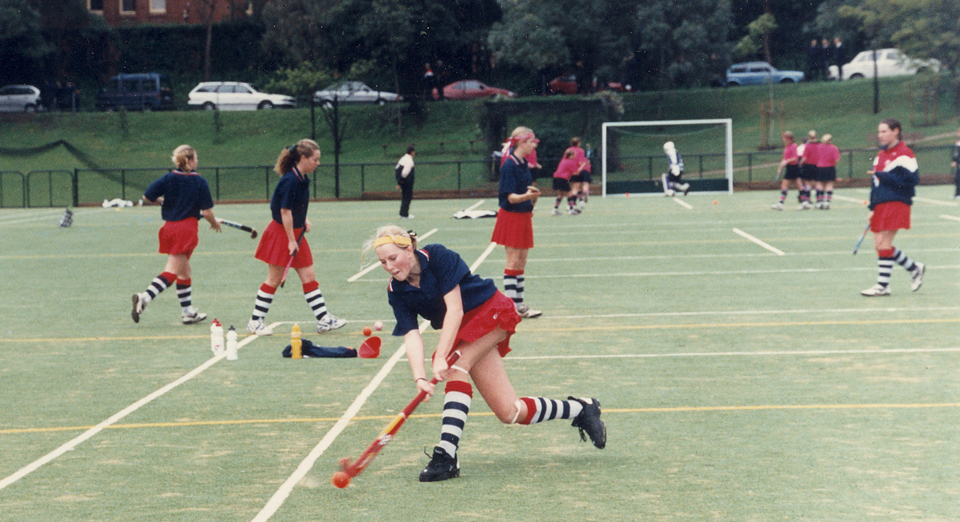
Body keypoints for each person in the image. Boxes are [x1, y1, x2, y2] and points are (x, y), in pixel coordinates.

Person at [365, 227, 606, 482]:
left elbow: (455, 310)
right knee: (510, 412)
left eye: (393, 258)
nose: (389, 266)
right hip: (464, 332)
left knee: (457, 367)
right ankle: (581, 409)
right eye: (382, 262)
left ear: (409, 248)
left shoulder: (436, 256)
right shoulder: (396, 290)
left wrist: (440, 357)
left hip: (490, 311)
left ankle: (447, 456)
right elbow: (411, 335)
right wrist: (420, 379)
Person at [245, 139, 346, 335]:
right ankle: (255, 321)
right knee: (273, 280)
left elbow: (294, 206)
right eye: (315, 159)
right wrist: (291, 240)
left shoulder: (301, 178)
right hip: (282, 234)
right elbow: (284, 211)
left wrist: (304, 219)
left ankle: (324, 319)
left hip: (294, 232)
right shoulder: (290, 180)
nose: (318, 163)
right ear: (303, 158)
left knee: (309, 276)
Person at [131, 145, 220, 325]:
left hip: (169, 228)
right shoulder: (199, 181)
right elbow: (208, 212)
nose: (197, 161)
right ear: (189, 161)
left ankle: (187, 312)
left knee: (184, 271)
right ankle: (145, 297)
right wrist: (214, 223)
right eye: (196, 158)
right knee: (173, 271)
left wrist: (166, 201)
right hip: (185, 230)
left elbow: (148, 196)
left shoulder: (169, 177)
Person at [861, 118, 925, 296]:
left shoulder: (905, 153)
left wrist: (884, 176)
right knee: (880, 245)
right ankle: (914, 268)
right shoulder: (880, 156)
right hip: (881, 203)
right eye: (879, 132)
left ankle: (882, 286)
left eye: (884, 131)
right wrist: (872, 208)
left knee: (883, 243)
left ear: (896, 131)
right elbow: (875, 184)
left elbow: (912, 181)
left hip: (898, 201)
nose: (880, 135)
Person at [493, 126, 543, 318]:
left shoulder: (523, 163)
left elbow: (523, 195)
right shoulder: (509, 165)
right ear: (521, 142)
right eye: (531, 142)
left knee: (521, 261)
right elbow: (511, 197)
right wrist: (528, 196)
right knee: (513, 261)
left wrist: (532, 200)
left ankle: (518, 305)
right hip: (511, 216)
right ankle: (511, 307)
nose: (533, 146)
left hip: (523, 215)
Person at [771, 131, 802, 210]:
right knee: (799, 185)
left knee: (785, 185)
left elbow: (795, 157)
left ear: (788, 138)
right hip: (790, 167)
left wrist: (786, 161)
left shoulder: (794, 146)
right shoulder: (787, 146)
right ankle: (804, 202)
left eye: (784, 138)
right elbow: (785, 158)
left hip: (793, 167)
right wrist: (780, 167)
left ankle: (780, 204)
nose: (783, 139)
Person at [551, 149, 586, 215]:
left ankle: (555, 209)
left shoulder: (563, 161)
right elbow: (576, 172)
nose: (575, 157)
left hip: (556, 178)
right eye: (574, 155)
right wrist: (583, 165)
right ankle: (571, 210)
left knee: (560, 194)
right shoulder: (570, 162)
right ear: (571, 155)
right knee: (569, 194)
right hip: (562, 179)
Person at [814, 133, 840, 209]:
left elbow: (815, 158)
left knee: (819, 184)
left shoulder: (818, 147)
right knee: (829, 184)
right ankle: (827, 202)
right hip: (830, 167)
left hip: (820, 167)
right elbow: (837, 159)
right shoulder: (833, 148)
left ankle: (820, 202)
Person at [798, 131, 819, 209]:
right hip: (818, 166)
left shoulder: (807, 146)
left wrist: (800, 164)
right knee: (817, 184)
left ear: (809, 137)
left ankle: (806, 201)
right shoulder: (820, 145)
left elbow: (804, 158)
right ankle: (819, 201)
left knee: (807, 184)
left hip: (809, 166)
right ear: (816, 137)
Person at [395, 145, 416, 219]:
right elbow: (404, 173)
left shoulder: (403, 158)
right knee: (407, 197)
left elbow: (397, 169)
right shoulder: (409, 161)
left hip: (402, 180)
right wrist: (401, 182)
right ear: (412, 152)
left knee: (404, 197)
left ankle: (402, 213)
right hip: (406, 181)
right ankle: (404, 214)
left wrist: (399, 182)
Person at [950, 126, 960, 198]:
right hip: (958, 164)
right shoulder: (958, 142)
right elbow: (956, 153)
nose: (958, 133)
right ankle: (957, 194)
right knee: (957, 179)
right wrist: (954, 161)